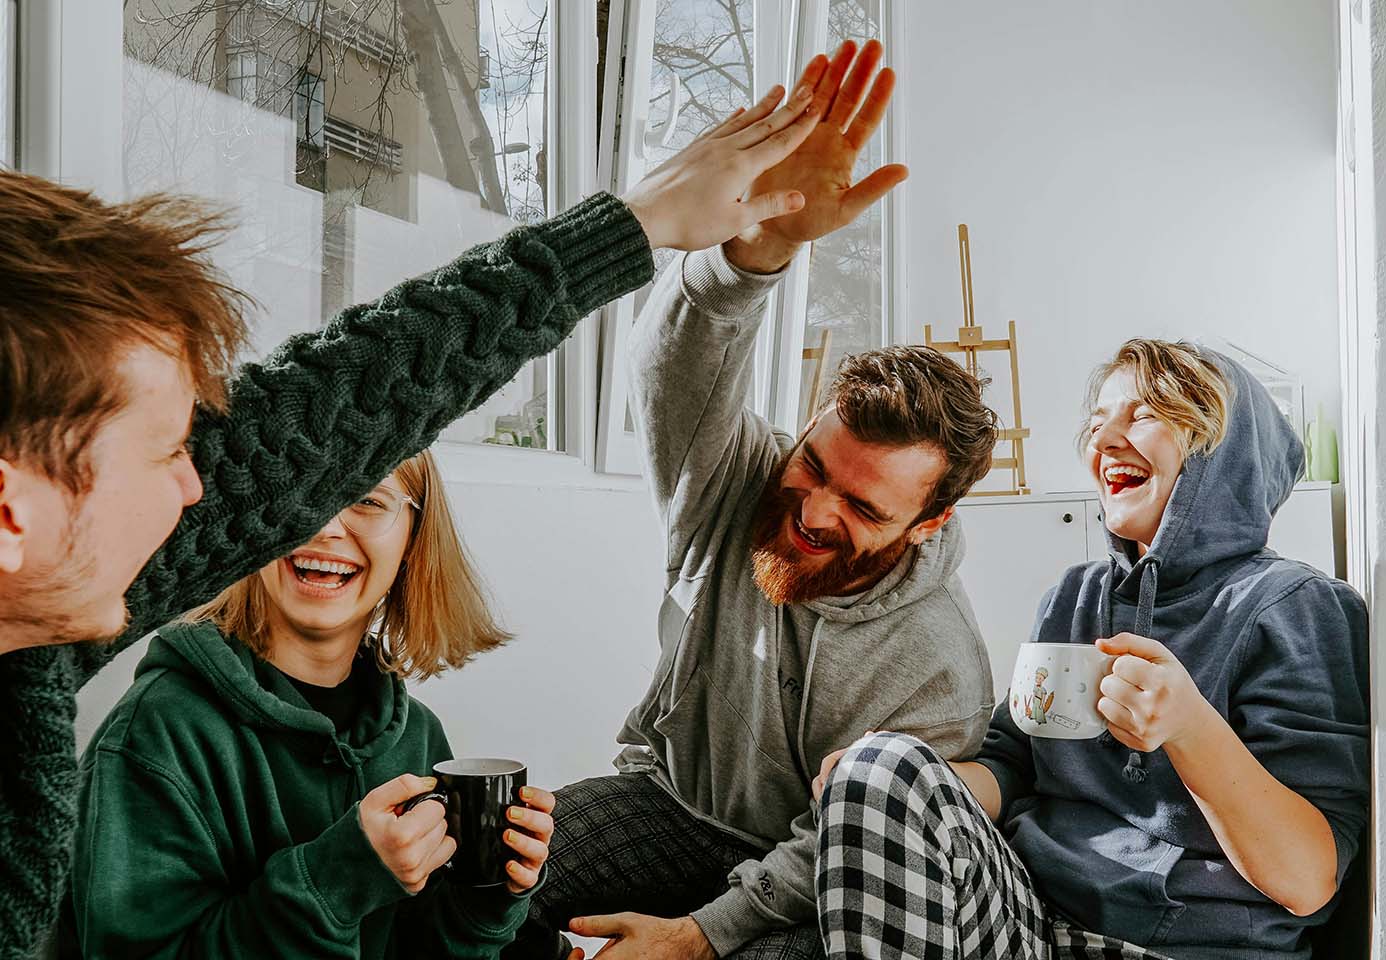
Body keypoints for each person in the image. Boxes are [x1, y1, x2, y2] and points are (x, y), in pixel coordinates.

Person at [0, 87, 822, 957]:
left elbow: (331, 409)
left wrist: (639, 222)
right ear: (13, 515)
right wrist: (338, 876)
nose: (202, 492)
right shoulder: (154, 733)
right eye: (170, 452)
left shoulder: (36, 646)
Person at [505, 42, 999, 960]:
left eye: (865, 508)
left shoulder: (938, 668)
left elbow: (842, 851)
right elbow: (674, 375)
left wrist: (696, 938)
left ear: (929, 523)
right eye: (815, 465)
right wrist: (757, 254)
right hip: (673, 803)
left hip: (819, 872)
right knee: (499, 874)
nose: (815, 512)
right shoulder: (738, 479)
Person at [812, 340, 1370, 960]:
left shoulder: (1295, 605)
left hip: (1187, 947)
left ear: (1221, 451)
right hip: (1032, 918)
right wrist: (888, 787)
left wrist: (1189, 729)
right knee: (881, 767)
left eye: (1143, 414)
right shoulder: (1074, 595)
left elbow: (1310, 882)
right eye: (1099, 420)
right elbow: (1011, 765)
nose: (1105, 439)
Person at [65, 450, 553, 957]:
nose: (326, 527)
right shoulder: (157, 733)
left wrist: (488, 897)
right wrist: (339, 879)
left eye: (367, 498)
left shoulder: (416, 735)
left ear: (413, 538)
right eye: (303, 490)